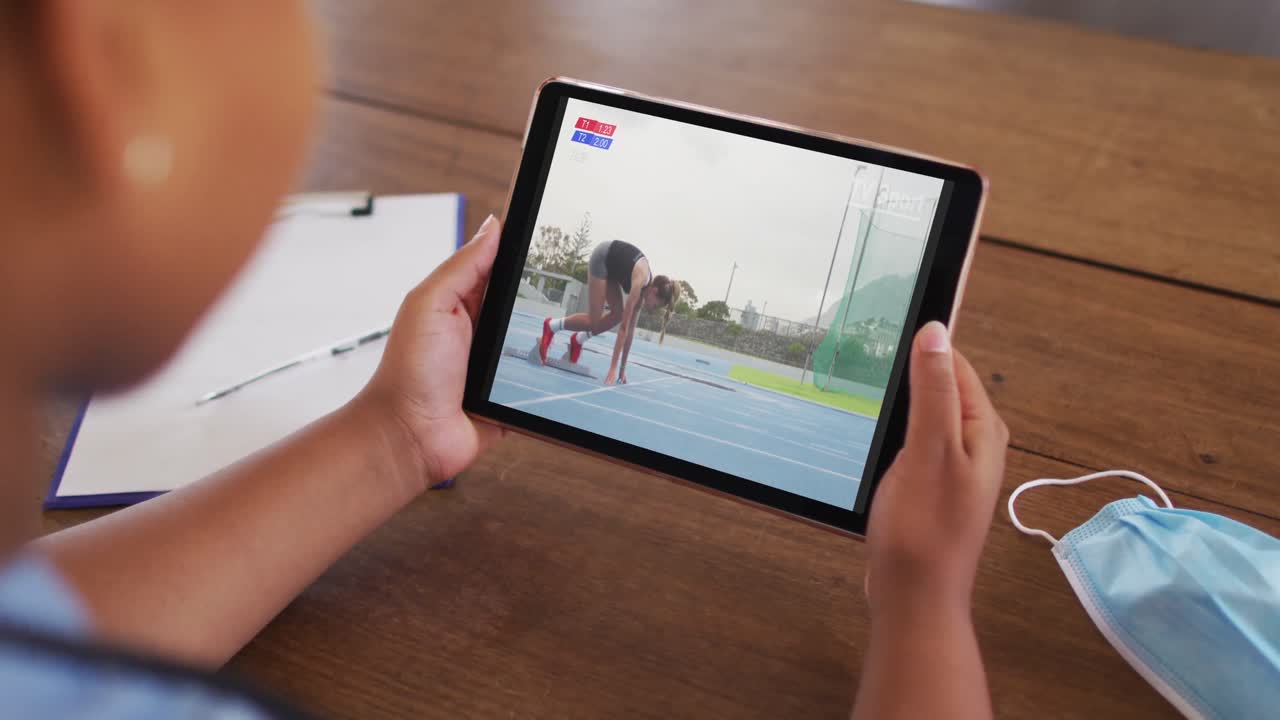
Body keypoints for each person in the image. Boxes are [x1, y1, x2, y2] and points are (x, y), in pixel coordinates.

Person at [0, 3, 1007, 718]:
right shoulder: (639, 273)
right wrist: (920, 598)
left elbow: (34, 635)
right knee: (586, 324)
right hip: (599, 279)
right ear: (96, 58)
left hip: (551, 323)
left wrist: (396, 435)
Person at [538, 239, 679, 385]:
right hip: (602, 258)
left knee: (618, 315)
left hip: (613, 269)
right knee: (593, 322)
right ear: (654, 291)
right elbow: (623, 329)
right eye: (656, 305)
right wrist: (612, 368)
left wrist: (622, 370)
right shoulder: (640, 283)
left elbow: (630, 331)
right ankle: (551, 326)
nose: (653, 309)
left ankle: (578, 340)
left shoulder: (644, 292)